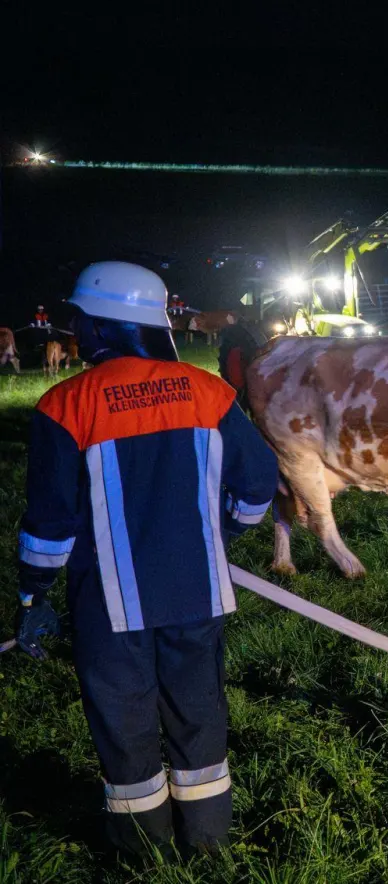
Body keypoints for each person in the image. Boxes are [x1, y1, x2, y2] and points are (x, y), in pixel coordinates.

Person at [10, 261, 279, 856]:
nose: (75, 331)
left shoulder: (65, 404)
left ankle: (141, 849)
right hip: (196, 591)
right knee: (198, 707)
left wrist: (34, 597)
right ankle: (208, 841)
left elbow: (50, 522)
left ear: (106, 326)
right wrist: (227, 530)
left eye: (80, 319)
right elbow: (259, 479)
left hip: (106, 603)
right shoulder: (209, 392)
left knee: (123, 717)